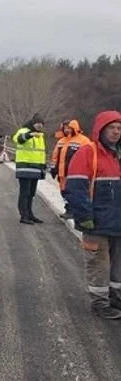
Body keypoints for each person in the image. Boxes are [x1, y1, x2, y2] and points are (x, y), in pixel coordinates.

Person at [64, 110, 121, 319]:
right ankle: (100, 303)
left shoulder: (118, 155)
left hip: (117, 221)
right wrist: (84, 216)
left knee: (118, 265)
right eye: (111, 128)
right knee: (99, 263)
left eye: (119, 128)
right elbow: (77, 187)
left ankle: (116, 297)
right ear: (101, 130)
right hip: (96, 222)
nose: (115, 132)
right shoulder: (88, 153)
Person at [49, 119, 91, 219]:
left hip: (76, 173)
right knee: (64, 192)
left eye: (69, 128)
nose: (67, 130)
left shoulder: (83, 140)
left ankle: (77, 211)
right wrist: (53, 167)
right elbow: (55, 156)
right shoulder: (61, 141)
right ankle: (69, 209)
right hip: (62, 172)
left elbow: (89, 156)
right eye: (65, 128)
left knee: (75, 192)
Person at [12, 113, 47, 224]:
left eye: (41, 124)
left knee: (31, 193)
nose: (39, 125)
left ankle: (30, 214)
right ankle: (24, 216)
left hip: (35, 168)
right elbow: (18, 139)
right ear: (33, 123)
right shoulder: (24, 131)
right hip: (25, 167)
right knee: (25, 192)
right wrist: (30, 135)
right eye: (37, 123)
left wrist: (43, 166)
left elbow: (40, 153)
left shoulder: (40, 135)